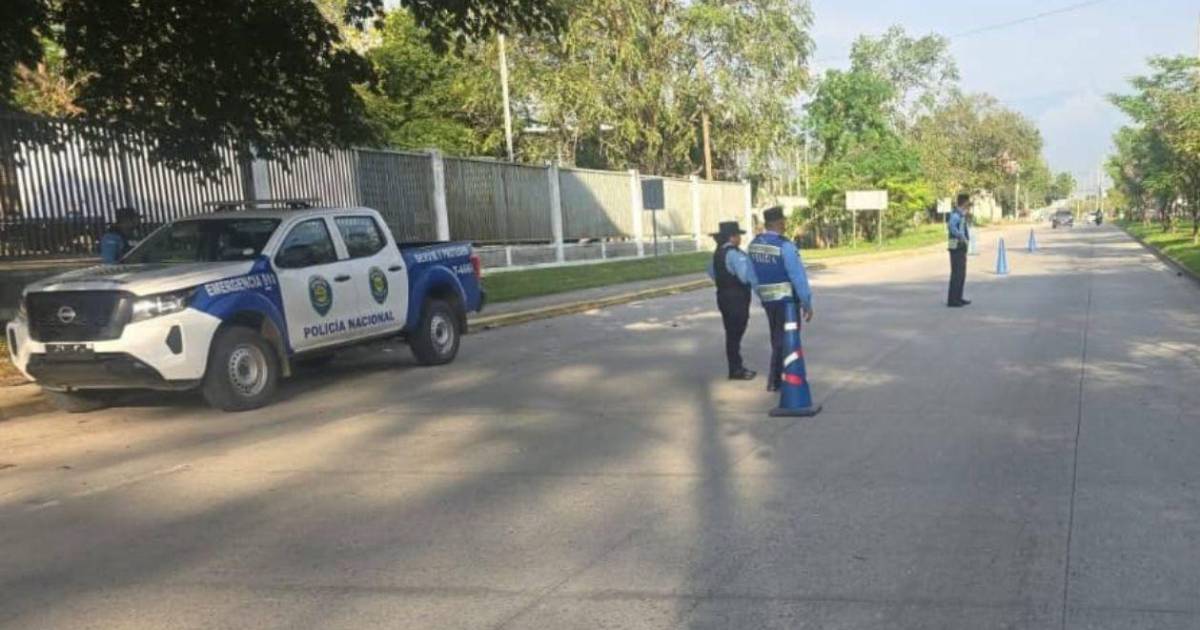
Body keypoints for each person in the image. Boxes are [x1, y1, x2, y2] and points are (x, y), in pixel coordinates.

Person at [748, 206, 814, 393]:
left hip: (769, 300)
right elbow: (797, 277)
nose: (785, 224)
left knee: (776, 337)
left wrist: (762, 294)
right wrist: (806, 302)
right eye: (783, 221)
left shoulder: (753, 245)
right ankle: (779, 378)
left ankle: (778, 378)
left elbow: (751, 276)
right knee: (788, 340)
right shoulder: (785, 246)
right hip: (787, 302)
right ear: (778, 223)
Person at [707, 221, 757, 381]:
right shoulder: (734, 254)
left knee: (731, 333)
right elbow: (744, 277)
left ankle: (735, 367)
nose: (740, 239)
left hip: (723, 296)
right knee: (736, 332)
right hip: (737, 298)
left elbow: (711, 271)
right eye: (738, 236)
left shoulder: (718, 252)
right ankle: (736, 369)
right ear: (732, 237)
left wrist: (724, 281)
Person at [947, 194, 972, 307]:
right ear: (964, 202)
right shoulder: (956, 215)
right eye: (967, 202)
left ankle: (958, 297)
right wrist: (961, 236)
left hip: (961, 246)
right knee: (956, 273)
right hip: (956, 245)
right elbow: (952, 227)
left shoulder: (961, 214)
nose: (968, 204)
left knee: (961, 274)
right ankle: (952, 300)